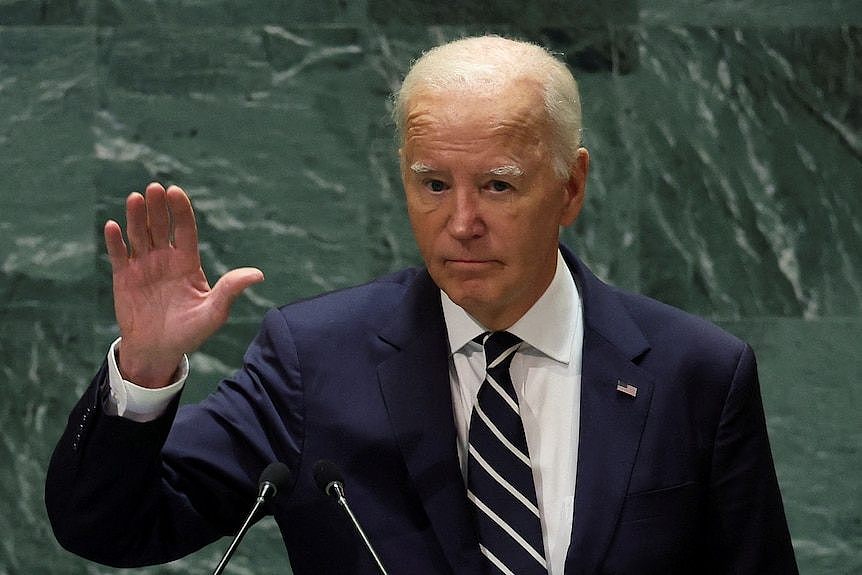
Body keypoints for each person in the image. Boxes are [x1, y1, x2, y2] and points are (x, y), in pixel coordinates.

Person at [46, 35, 798, 574]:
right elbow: (111, 526)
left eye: (498, 185)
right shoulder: (316, 360)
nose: (461, 221)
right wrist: (144, 367)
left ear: (571, 187)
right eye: (433, 184)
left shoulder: (696, 373)